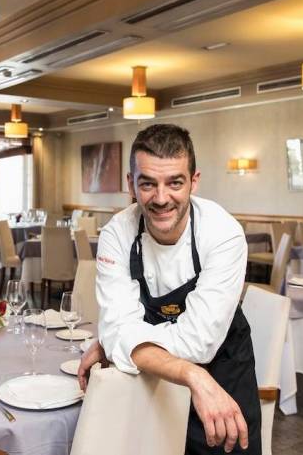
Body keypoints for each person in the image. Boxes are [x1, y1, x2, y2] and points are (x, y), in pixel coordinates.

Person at [77, 124, 260, 454]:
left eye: (175, 182)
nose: (161, 199)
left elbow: (197, 344)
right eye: (148, 183)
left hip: (223, 380)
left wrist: (121, 343)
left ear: (194, 181)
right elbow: (121, 330)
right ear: (131, 184)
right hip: (151, 391)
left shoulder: (223, 234)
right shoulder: (116, 235)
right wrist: (191, 374)